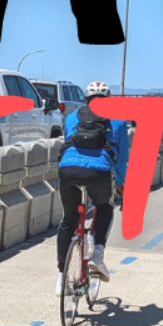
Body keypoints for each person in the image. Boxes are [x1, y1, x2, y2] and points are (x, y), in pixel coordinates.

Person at [56, 80, 130, 300]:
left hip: (68, 170)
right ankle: (97, 253)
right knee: (104, 206)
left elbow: (67, 144)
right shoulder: (117, 120)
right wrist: (121, 185)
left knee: (69, 220)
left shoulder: (71, 117)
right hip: (99, 173)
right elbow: (122, 157)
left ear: (85, 100)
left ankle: (61, 277)